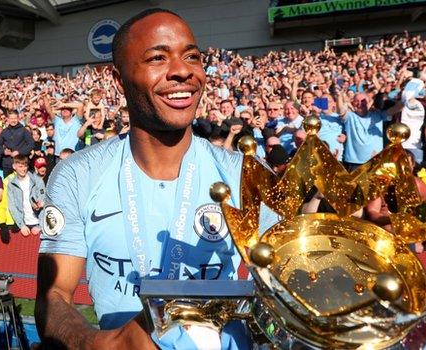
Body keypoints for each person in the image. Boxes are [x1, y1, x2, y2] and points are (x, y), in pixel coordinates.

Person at [35, 9, 268, 349]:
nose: (183, 71)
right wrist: (98, 344)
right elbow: (53, 296)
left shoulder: (244, 173)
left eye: (192, 56)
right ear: (119, 80)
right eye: (158, 57)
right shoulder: (77, 174)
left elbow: (285, 290)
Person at [7, 155, 45, 237]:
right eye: (20, 166)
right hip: (24, 224)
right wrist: (22, 225)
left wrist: (40, 226)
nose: (23, 169)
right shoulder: (11, 184)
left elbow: (44, 201)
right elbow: (12, 206)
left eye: (25, 166)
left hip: (38, 223)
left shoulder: (37, 180)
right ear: (14, 167)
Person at [0, 110, 35, 177]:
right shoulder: (4, 131)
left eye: (15, 118)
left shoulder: (24, 130)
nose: (13, 120)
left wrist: (19, 152)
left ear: (18, 118)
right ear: (8, 119)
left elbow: (31, 144)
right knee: (8, 184)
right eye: (11, 118)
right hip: (8, 164)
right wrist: (4, 151)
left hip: (21, 162)